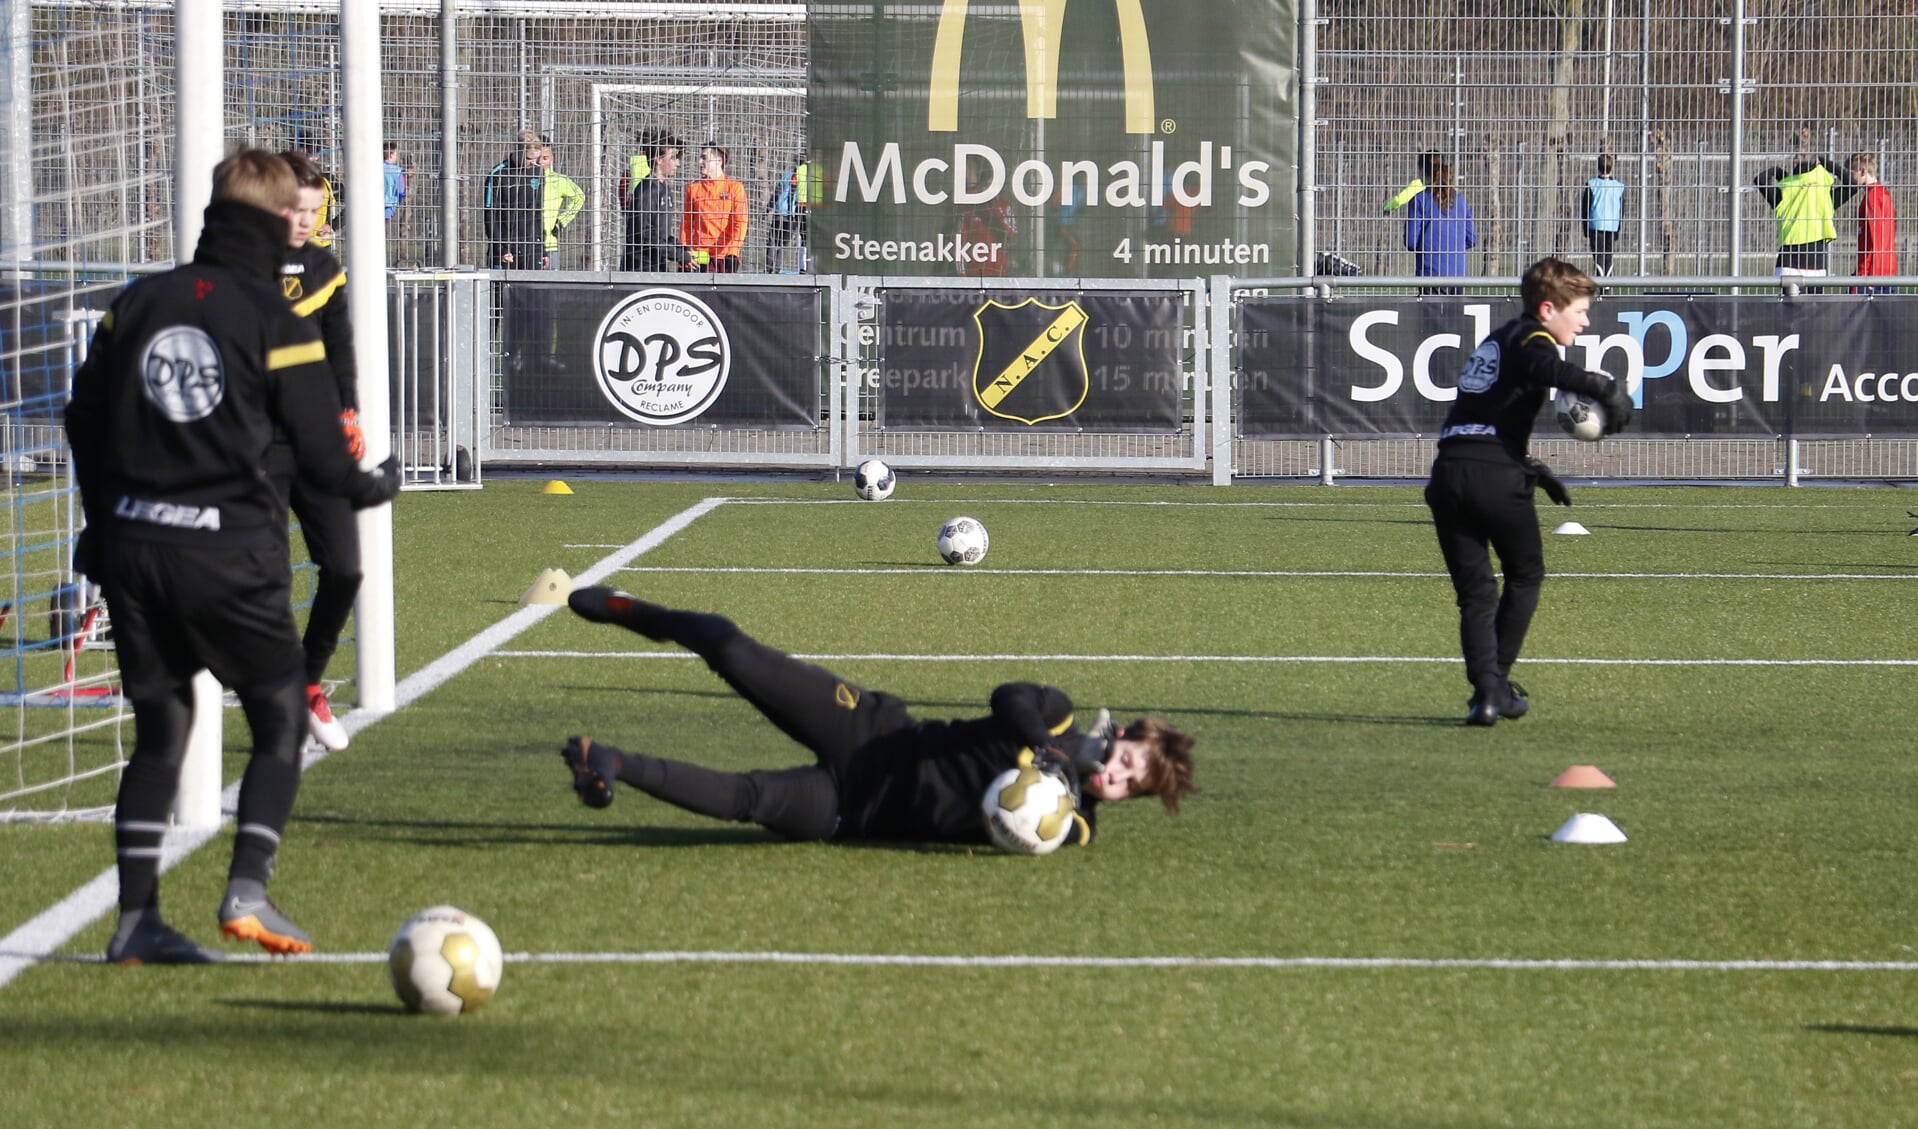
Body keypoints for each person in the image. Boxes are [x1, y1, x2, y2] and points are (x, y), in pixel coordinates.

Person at [65, 149, 403, 964]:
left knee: (161, 731)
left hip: (134, 546)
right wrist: (372, 485)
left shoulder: (136, 305)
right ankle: (248, 885)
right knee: (281, 715)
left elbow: (80, 418)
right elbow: (322, 458)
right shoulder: (273, 320)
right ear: (270, 221)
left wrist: (100, 518)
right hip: (223, 549)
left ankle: (136, 920)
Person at [556, 587, 1197, 846]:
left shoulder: (1069, 824)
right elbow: (1010, 696)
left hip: (854, 810)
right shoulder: (1054, 719)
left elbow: (1044, 830)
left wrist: (1054, 791)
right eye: (1128, 762)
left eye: (1129, 786)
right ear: (1122, 735)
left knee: (746, 800)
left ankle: (609, 763)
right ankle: (635, 612)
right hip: (871, 734)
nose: (1116, 778)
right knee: (732, 653)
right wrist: (1045, 749)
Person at [1424, 257, 1633, 727]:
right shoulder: (1534, 340)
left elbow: (1482, 418)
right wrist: (1604, 387)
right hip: (1494, 478)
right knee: (1525, 576)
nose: (1585, 320)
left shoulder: (1499, 339)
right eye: (1578, 310)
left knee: (1476, 594)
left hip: (1449, 474)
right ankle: (1495, 681)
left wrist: (1533, 466)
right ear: (1546, 309)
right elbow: (1546, 368)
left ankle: (1486, 697)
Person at [277, 151, 366, 754]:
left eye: (316, 209)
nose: (306, 220)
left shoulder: (325, 268)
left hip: (315, 444)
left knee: (344, 568)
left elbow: (340, 351)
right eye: (296, 209)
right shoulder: (232, 267)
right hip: (250, 446)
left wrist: (347, 412)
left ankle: (308, 681)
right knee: (258, 578)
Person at [1754, 132, 1859, 288]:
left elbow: (1760, 180)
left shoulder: (1784, 192)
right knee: (1814, 312)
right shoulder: (1825, 194)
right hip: (1816, 262)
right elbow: (1851, 185)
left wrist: (1778, 172)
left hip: (1788, 263)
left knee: (1786, 311)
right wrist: (1825, 162)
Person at [620, 130, 695, 273]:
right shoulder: (647, 190)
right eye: (673, 158)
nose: (678, 163)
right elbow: (644, 233)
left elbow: (661, 235)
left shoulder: (665, 189)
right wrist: (678, 255)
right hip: (640, 269)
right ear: (658, 160)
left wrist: (680, 248)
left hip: (656, 266)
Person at [1403, 152, 1476, 294]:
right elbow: (1471, 239)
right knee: (1455, 315)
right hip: (1457, 275)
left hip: (1430, 274)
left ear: (1422, 171)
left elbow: (1411, 241)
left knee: (1430, 315)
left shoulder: (1420, 200)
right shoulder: (1460, 200)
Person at [484, 130, 547, 271]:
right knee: (502, 291)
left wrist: (542, 249)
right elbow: (490, 214)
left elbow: (538, 212)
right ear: (518, 152)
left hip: (531, 246)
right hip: (506, 247)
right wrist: (501, 248)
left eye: (537, 159)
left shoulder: (538, 173)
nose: (534, 163)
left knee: (532, 290)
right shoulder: (498, 174)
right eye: (530, 159)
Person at [682, 144, 748, 273]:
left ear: (719, 161)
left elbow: (740, 223)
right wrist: (685, 250)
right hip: (699, 256)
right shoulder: (693, 188)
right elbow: (686, 223)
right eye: (700, 158)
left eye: (704, 158)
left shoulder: (734, 187)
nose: (700, 162)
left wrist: (733, 252)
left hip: (724, 256)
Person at [1849, 152, 1897, 294]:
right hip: (1886, 270)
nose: (1850, 177)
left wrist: (1871, 276)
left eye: (1852, 172)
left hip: (1873, 274)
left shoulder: (1872, 197)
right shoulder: (1883, 193)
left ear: (1862, 171)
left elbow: (1877, 238)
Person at [956, 166, 1017, 278]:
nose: (990, 190)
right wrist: (962, 274)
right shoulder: (969, 209)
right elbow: (960, 243)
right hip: (974, 272)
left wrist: (996, 211)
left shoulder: (1005, 207)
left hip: (999, 272)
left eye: (993, 186)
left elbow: (1012, 235)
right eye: (986, 186)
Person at [536, 144, 585, 269]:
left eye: (544, 158)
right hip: (525, 244)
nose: (539, 162)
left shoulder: (559, 181)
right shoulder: (521, 179)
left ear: (552, 159)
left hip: (549, 244)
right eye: (537, 158)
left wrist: (562, 221)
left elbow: (580, 197)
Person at [1582, 153, 1624, 279]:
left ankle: (1601, 280)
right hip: (1612, 225)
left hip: (1596, 224)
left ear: (1598, 167)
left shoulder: (1591, 185)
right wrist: (1618, 227)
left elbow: (1585, 208)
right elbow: (1621, 209)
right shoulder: (1619, 187)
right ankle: (1608, 281)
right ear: (1612, 168)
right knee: (1609, 254)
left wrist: (1585, 227)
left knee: (1598, 254)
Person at [764, 153, 808, 272]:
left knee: (772, 241)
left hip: (778, 212)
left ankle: (768, 269)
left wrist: (768, 209)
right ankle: (777, 269)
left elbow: (776, 194)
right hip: (792, 213)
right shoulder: (804, 176)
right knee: (784, 244)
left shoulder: (785, 176)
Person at [381, 141, 406, 225]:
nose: (396, 156)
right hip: (388, 205)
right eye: (396, 154)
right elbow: (401, 191)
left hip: (371, 204)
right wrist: (398, 200)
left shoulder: (375, 167)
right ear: (391, 155)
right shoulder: (397, 171)